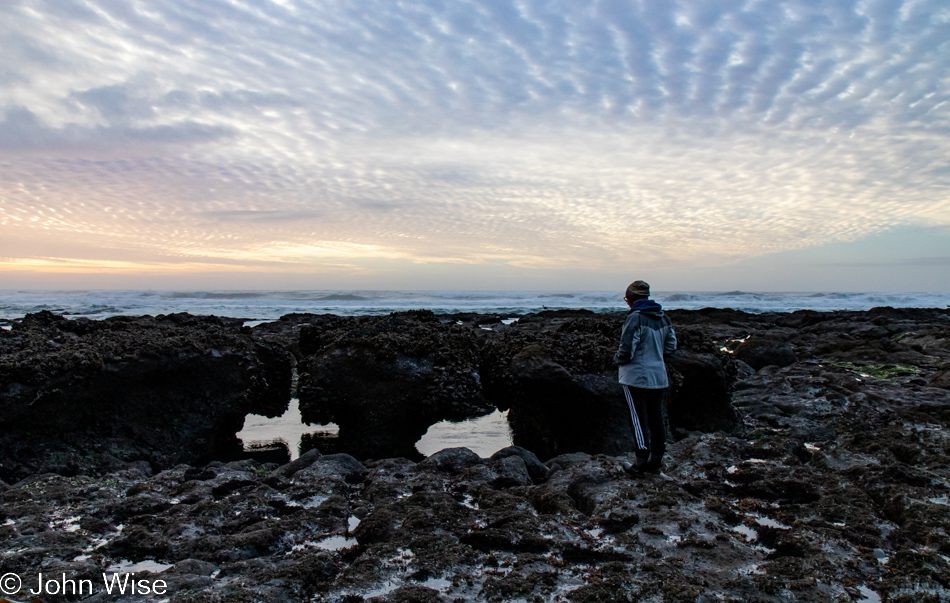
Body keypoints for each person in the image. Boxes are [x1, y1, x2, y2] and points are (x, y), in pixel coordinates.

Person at [613, 280, 677, 474]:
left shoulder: (635, 318)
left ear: (631, 298)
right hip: (658, 375)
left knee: (638, 418)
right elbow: (671, 346)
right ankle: (656, 460)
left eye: (627, 299)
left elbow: (627, 348)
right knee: (656, 417)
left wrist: (617, 359)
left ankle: (640, 462)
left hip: (635, 377)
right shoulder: (663, 317)